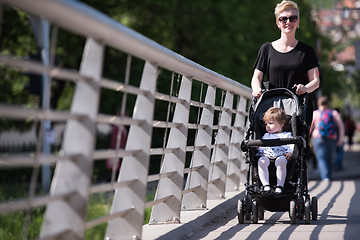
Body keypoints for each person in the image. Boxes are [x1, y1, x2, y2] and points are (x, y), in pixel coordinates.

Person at [251, 0, 320, 126]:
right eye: (283, 19)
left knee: (298, 144)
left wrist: (305, 88)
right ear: (278, 23)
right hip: (272, 109)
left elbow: (315, 81)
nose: (288, 22)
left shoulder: (307, 51)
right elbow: (257, 76)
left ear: (298, 22)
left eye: (293, 18)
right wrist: (256, 88)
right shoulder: (266, 49)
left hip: (298, 110)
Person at [258, 107, 294, 194]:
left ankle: (279, 186)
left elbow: (292, 145)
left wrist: (290, 152)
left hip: (281, 155)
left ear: (282, 123)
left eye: (271, 123)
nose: (268, 126)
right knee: (261, 161)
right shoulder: (266, 136)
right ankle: (266, 185)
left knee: (281, 161)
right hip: (267, 155)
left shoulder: (287, 135)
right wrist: (257, 147)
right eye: (266, 124)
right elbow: (261, 147)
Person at [310, 96, 345, 181]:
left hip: (318, 138)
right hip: (332, 138)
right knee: (330, 157)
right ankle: (329, 175)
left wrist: (308, 136)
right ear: (327, 103)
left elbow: (310, 127)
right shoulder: (334, 113)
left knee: (321, 158)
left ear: (319, 104)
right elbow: (341, 126)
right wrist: (341, 139)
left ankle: (325, 177)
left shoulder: (315, 113)